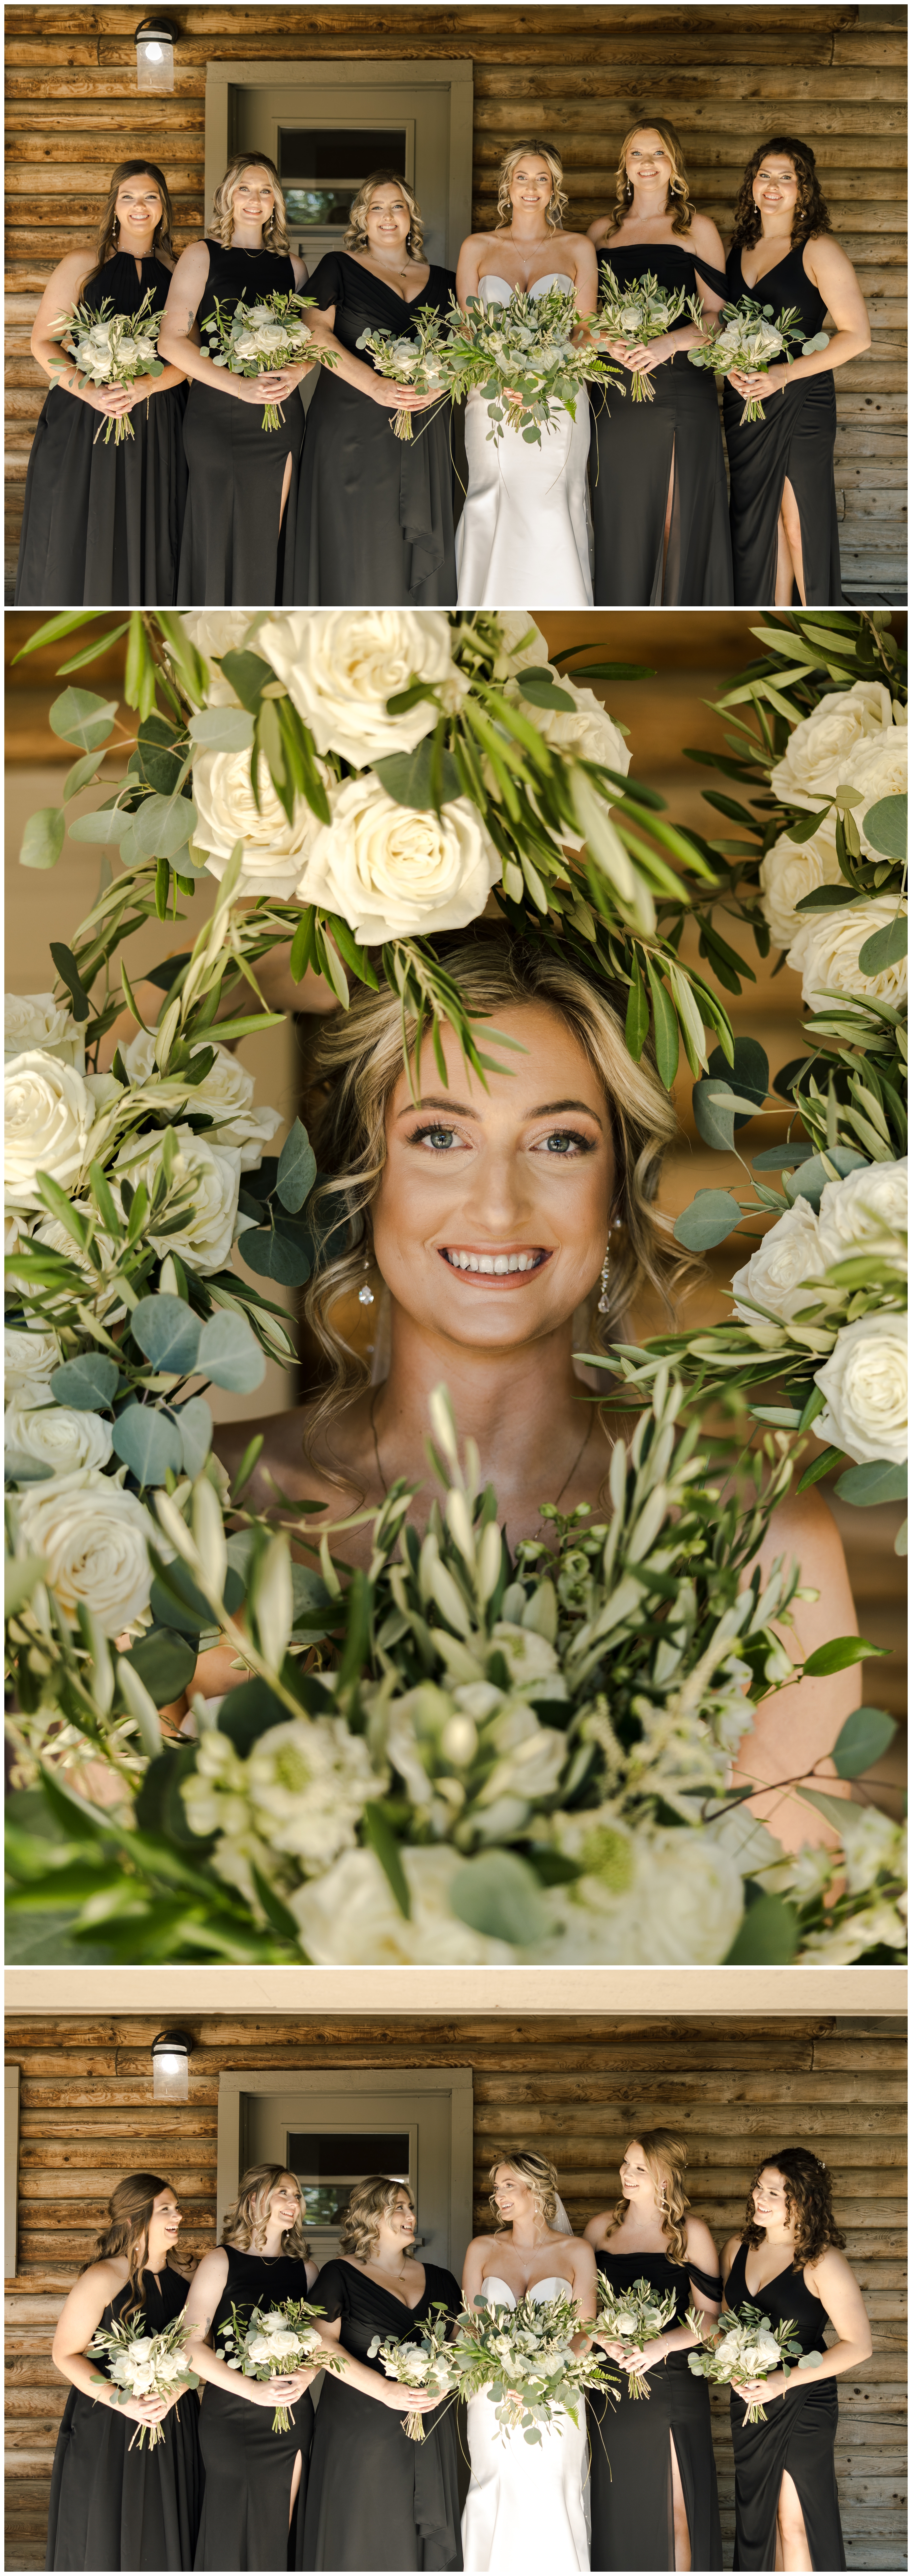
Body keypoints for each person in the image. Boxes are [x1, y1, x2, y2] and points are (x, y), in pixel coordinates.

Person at [203, 926, 863, 1861]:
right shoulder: (213, 1503)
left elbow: (798, 1953)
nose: (499, 1205)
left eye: (558, 1141)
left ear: (618, 1197)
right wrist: (235, 979)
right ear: (364, 1177)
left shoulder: (758, 1540)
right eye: (439, 1136)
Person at [16, 161, 187, 606]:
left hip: (157, 417)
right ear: (114, 205)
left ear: (164, 208)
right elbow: (43, 342)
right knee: (79, 523)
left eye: (151, 197)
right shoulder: (82, 264)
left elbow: (191, 357)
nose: (139, 207)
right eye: (129, 197)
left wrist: (147, 387)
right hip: (84, 417)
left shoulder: (182, 271)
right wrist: (89, 391)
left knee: (148, 524)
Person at [293, 171, 457, 605]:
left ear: (412, 217)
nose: (388, 217)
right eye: (377, 208)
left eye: (397, 207)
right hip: (351, 423)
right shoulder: (338, 267)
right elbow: (316, 336)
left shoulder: (447, 281)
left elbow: (466, 351)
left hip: (423, 424)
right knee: (354, 537)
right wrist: (376, 386)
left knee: (409, 545)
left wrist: (437, 388)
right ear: (362, 218)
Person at [587, 121, 732, 604]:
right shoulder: (601, 234)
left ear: (674, 165)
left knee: (676, 512)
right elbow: (583, 321)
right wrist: (610, 343)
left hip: (680, 386)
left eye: (658, 154)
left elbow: (718, 316)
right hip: (616, 393)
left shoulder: (696, 230)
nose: (647, 164)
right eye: (637, 154)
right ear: (624, 165)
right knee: (622, 513)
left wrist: (669, 345)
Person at [722, 137, 871, 606]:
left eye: (787, 178)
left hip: (800, 402)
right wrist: (731, 369)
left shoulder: (817, 249)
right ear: (752, 187)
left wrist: (784, 374)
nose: (774, 186)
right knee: (761, 524)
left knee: (798, 520)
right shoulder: (737, 248)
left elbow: (856, 335)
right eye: (765, 175)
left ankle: (819, 627)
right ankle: (776, 627)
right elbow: (723, 326)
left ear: (804, 191)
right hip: (746, 400)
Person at [159, 155, 310, 604]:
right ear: (228, 196)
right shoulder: (202, 254)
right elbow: (171, 342)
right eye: (245, 188)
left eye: (266, 191)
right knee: (215, 529)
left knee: (269, 533)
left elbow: (311, 342)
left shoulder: (296, 268)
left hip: (279, 414)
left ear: (276, 203)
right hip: (216, 413)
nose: (255, 199)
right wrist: (239, 386)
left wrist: (298, 371)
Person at [454, 141, 598, 607]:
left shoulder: (578, 248)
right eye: (523, 178)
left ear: (554, 188)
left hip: (558, 397)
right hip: (493, 399)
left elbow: (585, 332)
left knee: (553, 501)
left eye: (542, 179)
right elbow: (469, 332)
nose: (531, 188)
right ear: (507, 186)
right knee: (491, 497)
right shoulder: (477, 247)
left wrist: (541, 380)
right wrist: (507, 380)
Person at [302, 2175, 463, 2569]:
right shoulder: (338, 2274)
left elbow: (462, 2344)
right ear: (371, 2217)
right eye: (399, 2208)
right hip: (361, 2427)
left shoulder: (441, 2279)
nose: (411, 2216)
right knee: (365, 2530)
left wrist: (444, 2381)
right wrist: (385, 2390)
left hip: (430, 2419)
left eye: (410, 2207)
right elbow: (322, 2346)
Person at [722, 2147, 872, 2570]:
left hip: (803, 2401)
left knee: (793, 2520)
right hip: (750, 2400)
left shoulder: (821, 2261)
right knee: (760, 2519)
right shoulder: (736, 2248)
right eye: (759, 2187)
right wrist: (729, 2366)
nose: (760, 2198)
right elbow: (726, 2326)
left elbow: (859, 2344)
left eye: (775, 2193)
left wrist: (782, 2382)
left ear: (803, 2202)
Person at [46, 2171, 202, 2570]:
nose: (178, 2216)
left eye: (177, 2208)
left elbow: (200, 2355)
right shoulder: (104, 2278)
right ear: (134, 2220)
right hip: (110, 2424)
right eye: (165, 2209)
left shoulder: (186, 2279)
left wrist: (173, 2393)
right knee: (109, 2529)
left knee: (163, 2528)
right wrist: (126, 2402)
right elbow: (65, 2354)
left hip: (173, 2420)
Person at [585, 2133, 723, 2571]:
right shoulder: (599, 2229)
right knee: (620, 2503)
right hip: (612, 2381)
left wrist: (659, 2345)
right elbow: (580, 2311)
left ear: (666, 2177)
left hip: (673, 2381)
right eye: (626, 2164)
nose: (626, 2174)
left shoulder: (690, 2233)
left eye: (639, 2168)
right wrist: (607, 2341)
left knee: (677, 2505)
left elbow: (708, 2318)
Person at [461, 2150, 596, 2571]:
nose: (497, 2196)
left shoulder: (577, 2251)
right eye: (496, 2188)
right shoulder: (481, 2248)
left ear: (536, 2189)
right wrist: (504, 2372)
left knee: (553, 2489)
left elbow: (585, 2332)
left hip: (556, 2395)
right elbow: (471, 2327)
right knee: (492, 2490)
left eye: (508, 2186)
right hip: (492, 2393)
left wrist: (543, 2377)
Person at [184, 2163, 320, 2569]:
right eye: (284, 2193)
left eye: (298, 2196)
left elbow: (321, 2345)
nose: (294, 2203)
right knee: (230, 2520)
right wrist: (252, 2390)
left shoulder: (307, 2271)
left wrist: (308, 2374)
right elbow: (190, 2346)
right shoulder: (220, 2261)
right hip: (231, 2413)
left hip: (290, 2411)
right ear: (255, 2199)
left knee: (280, 2521)